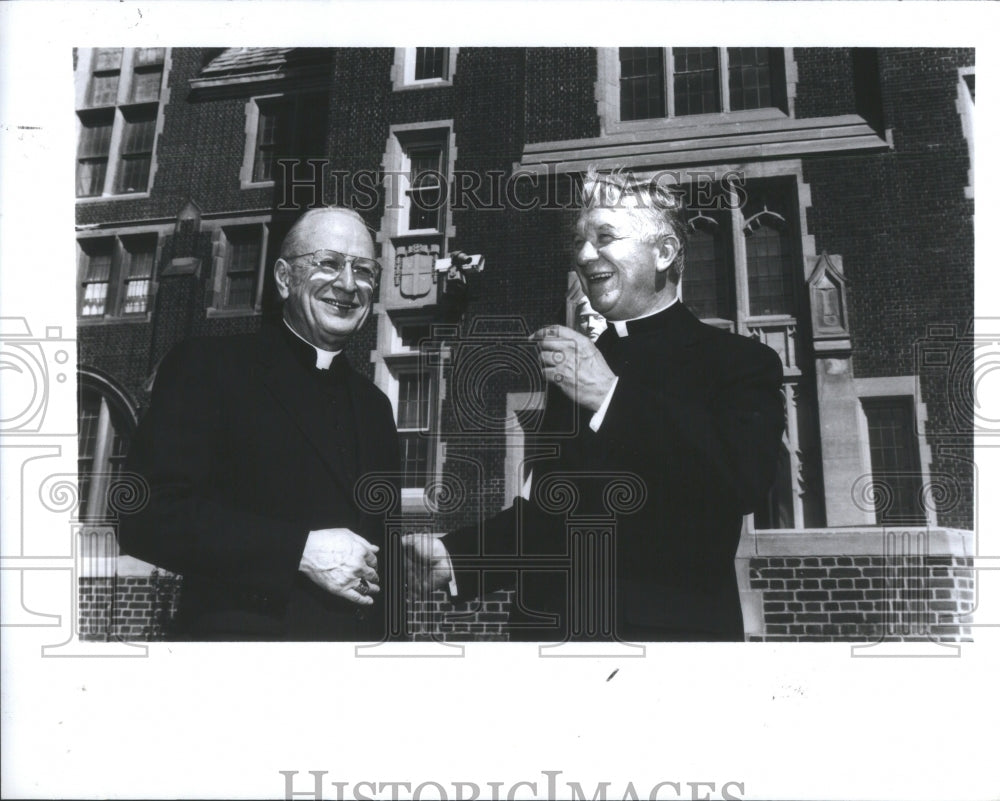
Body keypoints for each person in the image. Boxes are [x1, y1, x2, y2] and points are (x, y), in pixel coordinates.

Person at [409, 169, 785, 641]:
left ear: (664, 253)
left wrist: (611, 398)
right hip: (548, 644)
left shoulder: (740, 362)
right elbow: (549, 518)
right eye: (581, 241)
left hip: (661, 652)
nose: (585, 256)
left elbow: (741, 482)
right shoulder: (581, 365)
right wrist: (456, 557)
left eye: (605, 237)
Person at [119, 207, 400, 641]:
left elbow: (385, 564)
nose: (348, 284)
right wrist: (297, 551)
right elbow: (144, 515)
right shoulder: (210, 367)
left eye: (363, 270)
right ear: (285, 278)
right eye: (329, 262)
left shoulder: (376, 406)